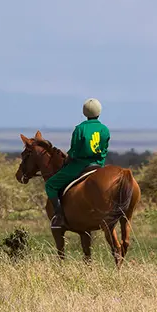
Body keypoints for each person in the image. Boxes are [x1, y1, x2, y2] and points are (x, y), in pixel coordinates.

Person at [44, 98, 110, 230]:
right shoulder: (104, 129)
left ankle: (59, 216)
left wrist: (67, 161)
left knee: (50, 184)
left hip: (81, 165)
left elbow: (74, 152)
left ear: (85, 112)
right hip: (98, 164)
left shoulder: (80, 129)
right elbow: (105, 149)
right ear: (99, 112)